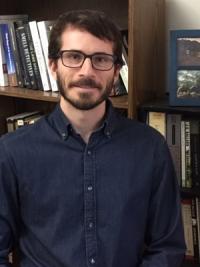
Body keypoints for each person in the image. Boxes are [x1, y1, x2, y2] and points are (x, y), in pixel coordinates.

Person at [0, 9, 185, 267]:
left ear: (116, 71)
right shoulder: (10, 153)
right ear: (53, 66)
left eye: (100, 59)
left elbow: (167, 247)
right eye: (74, 56)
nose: (87, 71)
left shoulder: (150, 147)